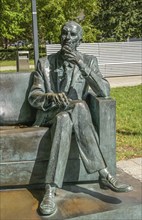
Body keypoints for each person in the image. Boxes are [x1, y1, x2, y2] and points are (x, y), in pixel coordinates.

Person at [28, 21, 133, 215]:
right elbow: (34, 96)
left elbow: (105, 91)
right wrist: (50, 97)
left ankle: (50, 190)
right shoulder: (45, 63)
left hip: (70, 118)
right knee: (78, 106)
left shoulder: (89, 60)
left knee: (65, 120)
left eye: (72, 35)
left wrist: (81, 64)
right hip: (50, 113)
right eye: (64, 34)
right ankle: (104, 173)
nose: (67, 38)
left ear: (80, 40)